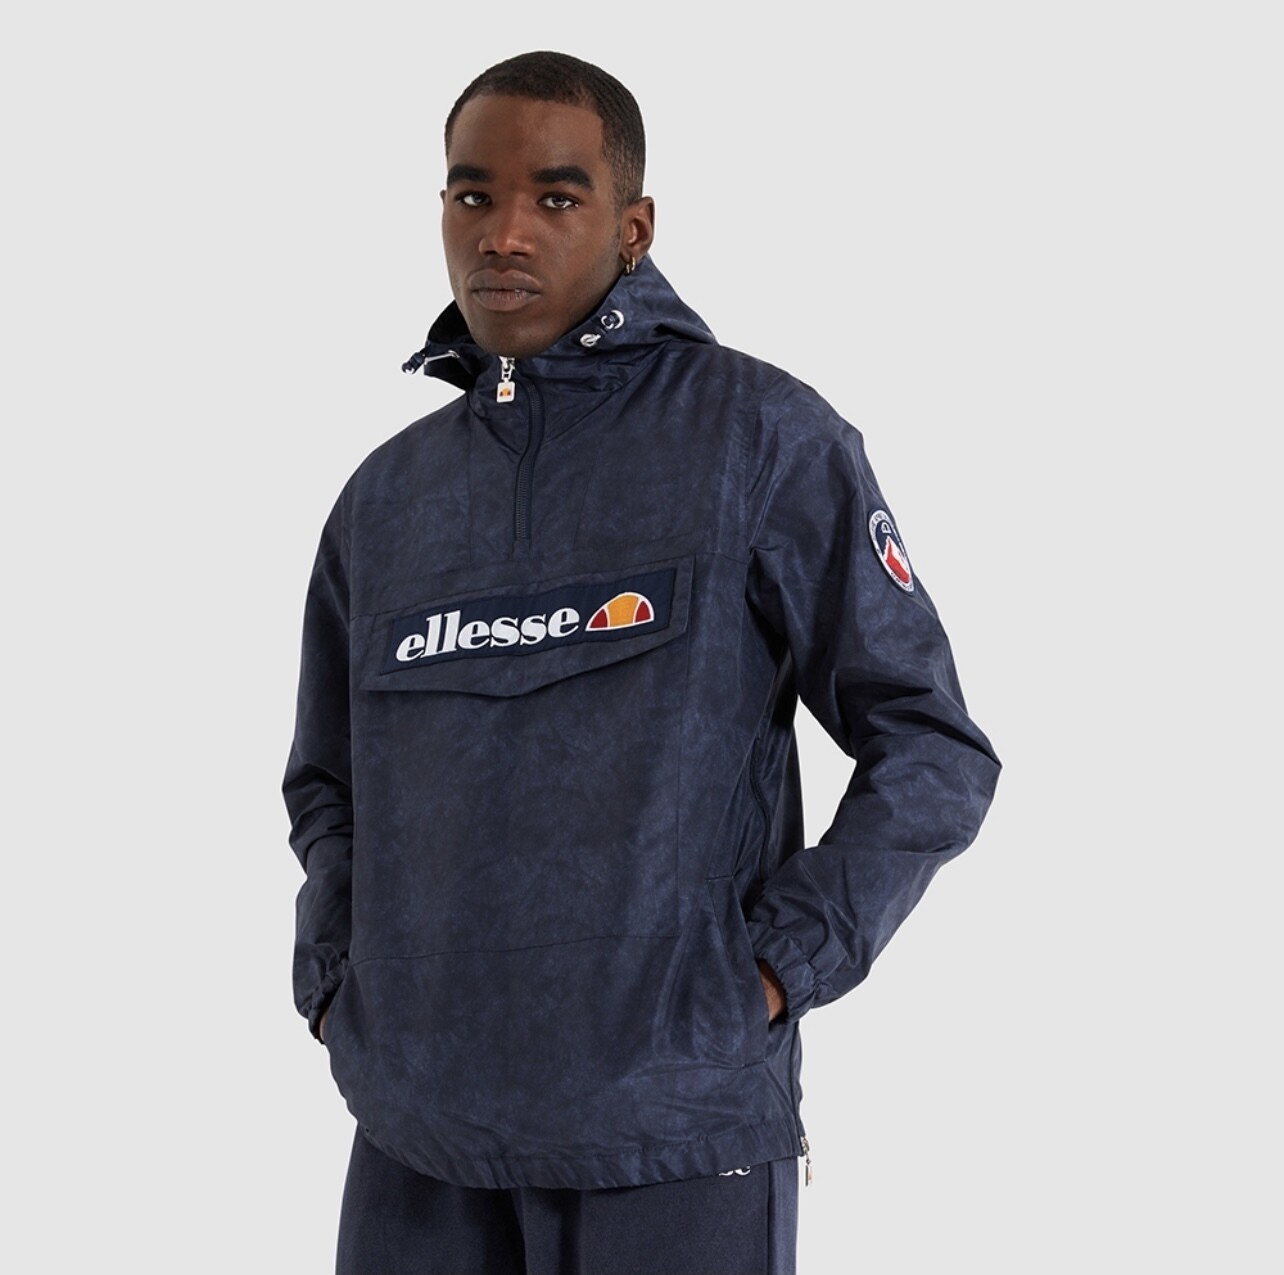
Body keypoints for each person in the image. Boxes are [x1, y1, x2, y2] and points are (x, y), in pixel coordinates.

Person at [284, 50, 1000, 1275]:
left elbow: (931, 748)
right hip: (415, 1137)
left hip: (672, 1135)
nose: (504, 233)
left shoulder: (760, 438)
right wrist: (340, 979)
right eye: (472, 195)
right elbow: (328, 785)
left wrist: (773, 968)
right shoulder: (386, 501)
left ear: (633, 227)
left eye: (556, 197)